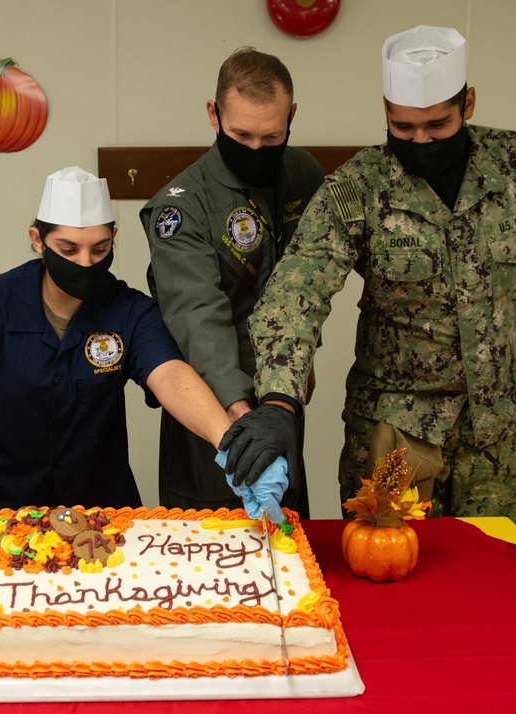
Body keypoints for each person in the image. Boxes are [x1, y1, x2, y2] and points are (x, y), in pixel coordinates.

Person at [222, 25, 516, 532]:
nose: (420, 140)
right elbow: (296, 295)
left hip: (499, 434)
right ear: (384, 110)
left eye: (437, 125)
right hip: (394, 432)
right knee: (387, 576)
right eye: (402, 127)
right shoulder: (358, 188)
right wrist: (278, 401)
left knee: (494, 585)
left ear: (467, 103)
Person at [0, 166, 273, 532]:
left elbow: (171, 375)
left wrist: (233, 443)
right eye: (68, 249)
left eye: (99, 249)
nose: (85, 263)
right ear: (37, 240)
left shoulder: (130, 311)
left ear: (114, 238)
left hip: (96, 518)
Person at [140, 47, 324, 516]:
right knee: (213, 543)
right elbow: (199, 316)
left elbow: (310, 277)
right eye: (241, 134)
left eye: (271, 136)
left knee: (288, 539)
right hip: (213, 401)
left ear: (292, 117)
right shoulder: (181, 208)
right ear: (213, 114)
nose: (256, 149)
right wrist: (241, 421)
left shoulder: (303, 173)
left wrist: (299, 366)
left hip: (281, 395)